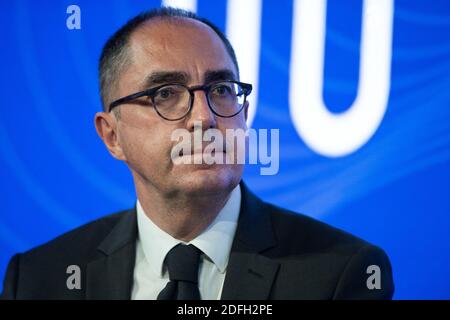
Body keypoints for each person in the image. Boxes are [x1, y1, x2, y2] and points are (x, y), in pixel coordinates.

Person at [0, 7, 394, 300]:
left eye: (221, 90)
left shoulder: (341, 273)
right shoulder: (40, 279)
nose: (203, 119)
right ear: (112, 136)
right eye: (165, 94)